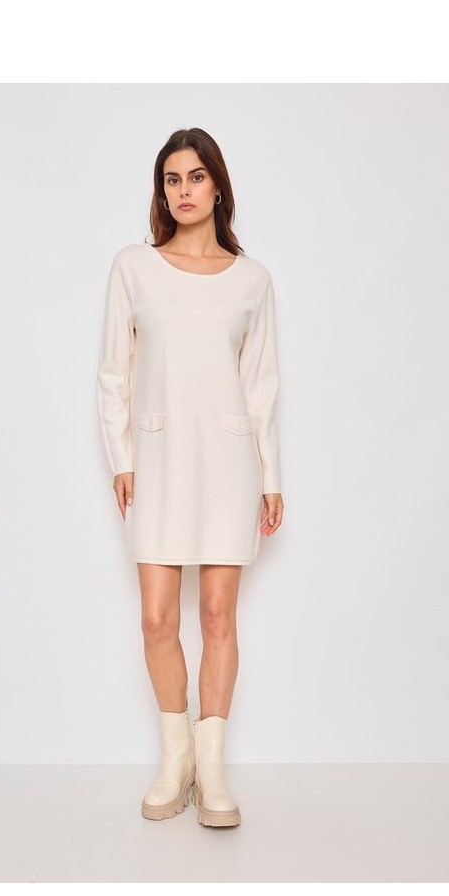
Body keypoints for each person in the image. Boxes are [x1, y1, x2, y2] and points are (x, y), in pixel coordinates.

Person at [96, 127, 284, 829]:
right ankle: (175, 759)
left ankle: (212, 766)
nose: (184, 190)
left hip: (229, 462)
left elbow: (261, 384)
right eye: (172, 179)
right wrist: (121, 458)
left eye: (196, 177)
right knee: (156, 617)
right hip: (159, 459)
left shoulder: (252, 280)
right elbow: (113, 373)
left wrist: (271, 473)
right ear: (161, 190)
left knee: (215, 615)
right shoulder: (133, 268)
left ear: (218, 187)